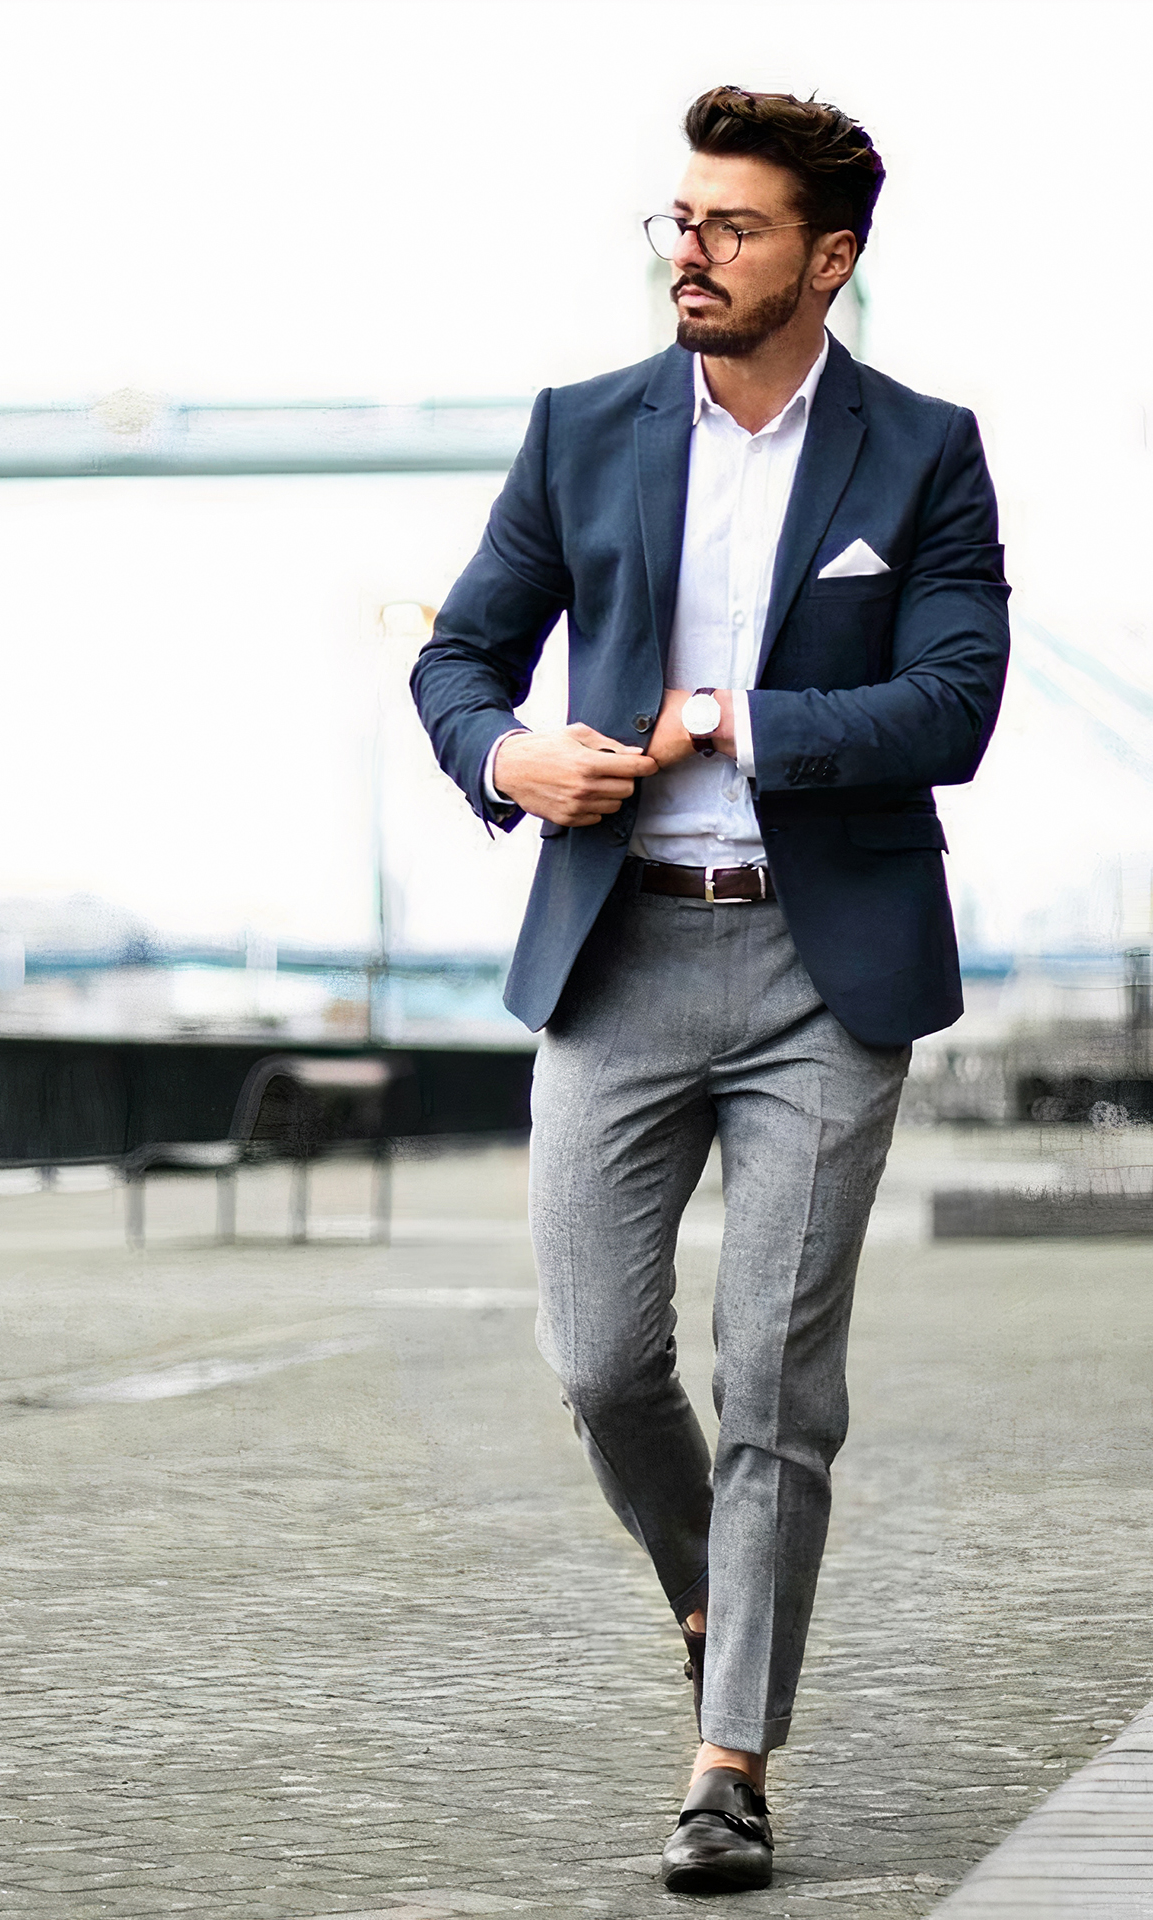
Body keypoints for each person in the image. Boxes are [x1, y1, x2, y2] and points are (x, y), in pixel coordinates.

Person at [411, 85, 1009, 1894]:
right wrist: (514, 762)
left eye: (733, 228)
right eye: (680, 222)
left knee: (776, 1386)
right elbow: (458, 659)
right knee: (600, 1365)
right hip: (620, 952)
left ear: (829, 259)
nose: (693, 251)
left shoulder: (921, 453)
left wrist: (727, 720)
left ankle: (729, 1760)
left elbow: (954, 703)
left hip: (825, 974)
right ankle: (705, 1591)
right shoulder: (580, 433)